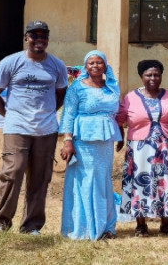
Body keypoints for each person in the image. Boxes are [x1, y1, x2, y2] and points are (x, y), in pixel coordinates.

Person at [0, 20, 68, 234]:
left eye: (43, 36)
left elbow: (61, 94)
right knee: (12, 172)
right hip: (17, 129)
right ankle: (1, 221)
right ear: (26, 38)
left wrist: (48, 111)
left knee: (40, 177)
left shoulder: (57, 65)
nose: (39, 40)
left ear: (48, 39)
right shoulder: (11, 62)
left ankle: (32, 225)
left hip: (46, 129)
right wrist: (9, 114)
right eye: (34, 35)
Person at [59, 50, 123, 240]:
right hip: (83, 141)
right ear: (85, 67)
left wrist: (120, 132)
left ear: (105, 66)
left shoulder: (111, 86)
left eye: (99, 63)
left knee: (103, 181)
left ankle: (107, 226)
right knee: (85, 181)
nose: (95, 66)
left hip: (105, 142)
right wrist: (67, 141)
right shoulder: (77, 87)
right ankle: (83, 227)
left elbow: (115, 112)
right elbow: (68, 114)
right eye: (91, 63)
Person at [116, 60, 168, 237]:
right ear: (141, 76)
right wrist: (120, 137)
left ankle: (165, 224)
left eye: (156, 74)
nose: (153, 78)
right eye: (148, 75)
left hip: (165, 148)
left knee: (166, 182)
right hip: (138, 150)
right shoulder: (130, 98)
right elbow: (119, 119)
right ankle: (141, 225)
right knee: (139, 183)